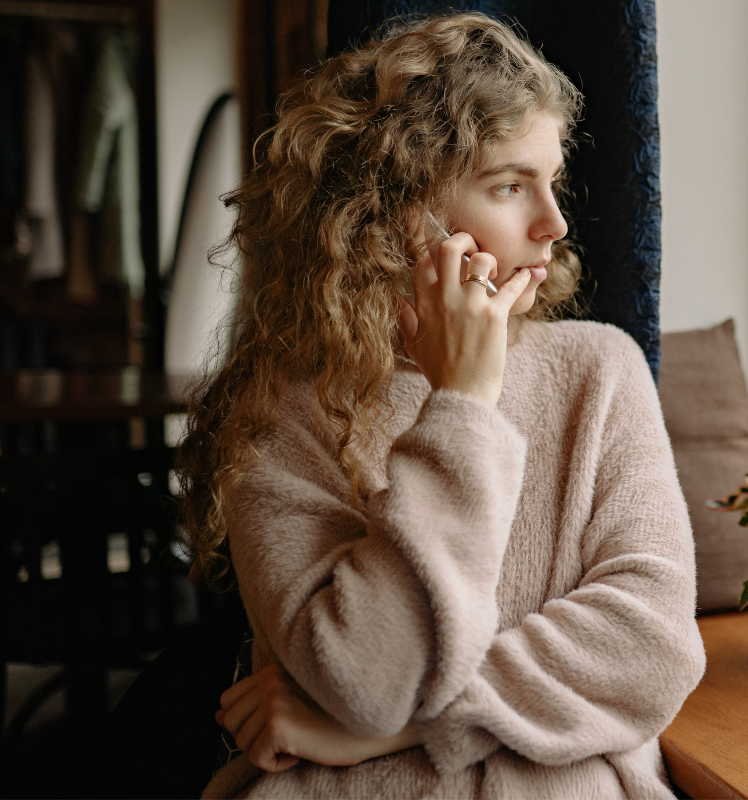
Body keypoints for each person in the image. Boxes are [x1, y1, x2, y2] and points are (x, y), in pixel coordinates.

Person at [176, 12, 705, 799]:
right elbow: (364, 679)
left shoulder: (600, 371)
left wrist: (406, 728)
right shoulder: (282, 412)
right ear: (395, 209)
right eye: (509, 186)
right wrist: (463, 406)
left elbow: (653, 649)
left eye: (551, 181)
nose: (553, 223)